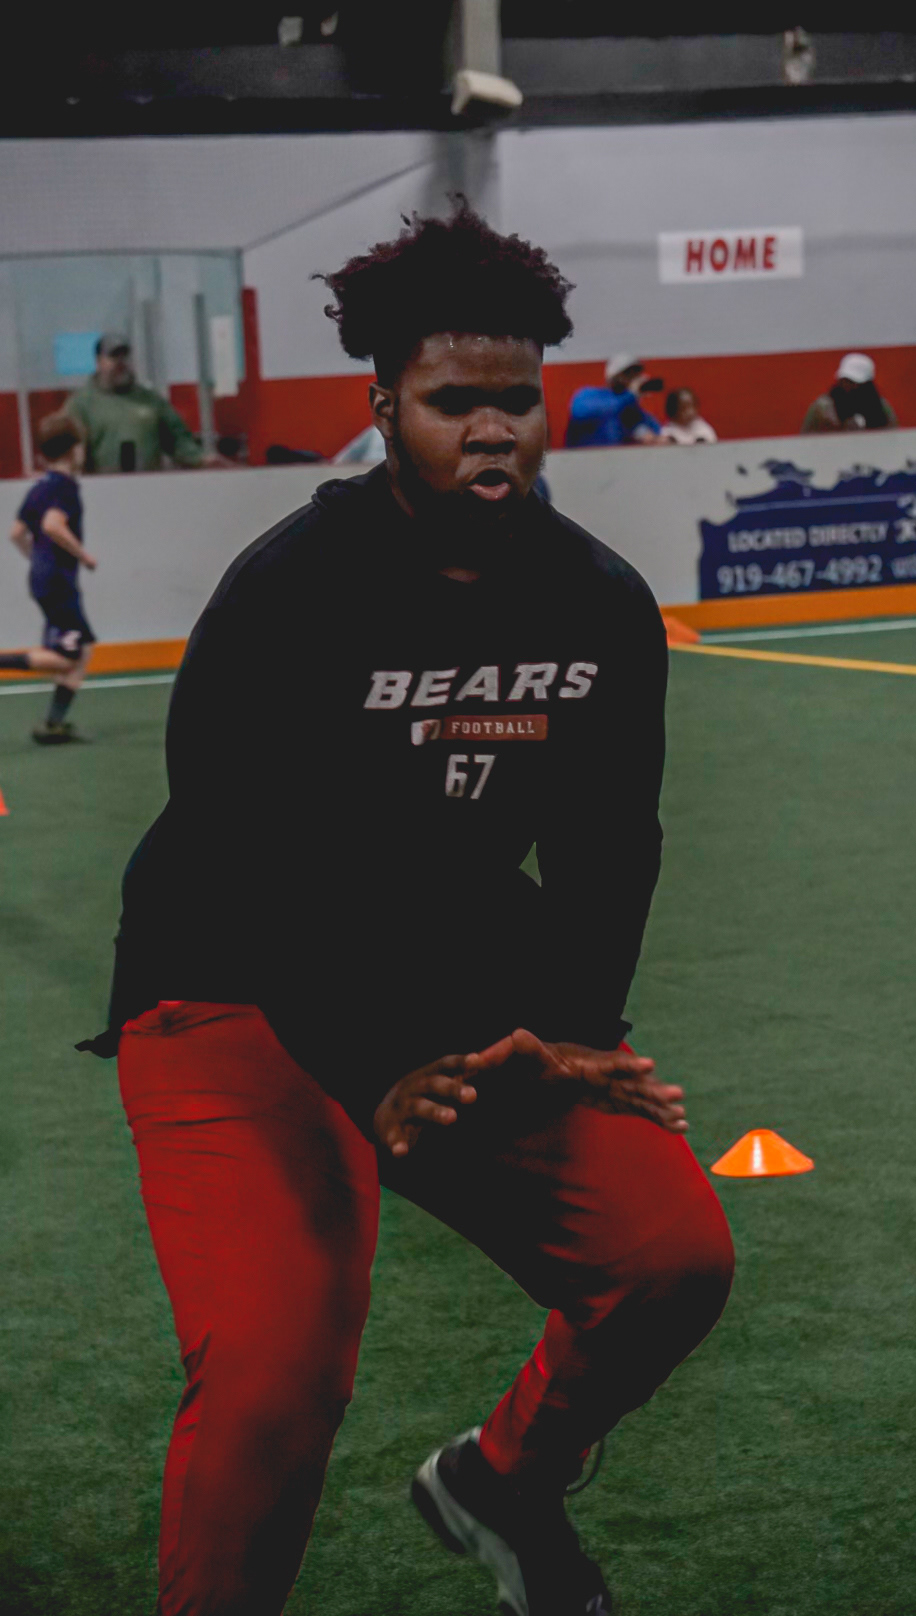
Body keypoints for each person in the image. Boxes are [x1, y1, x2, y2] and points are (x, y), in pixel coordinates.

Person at [77, 203, 734, 1616]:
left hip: (450, 962)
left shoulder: (595, 601)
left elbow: (607, 840)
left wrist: (574, 1030)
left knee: (672, 1258)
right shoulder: (288, 595)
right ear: (383, 409)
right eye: (452, 403)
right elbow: (243, 863)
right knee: (275, 1371)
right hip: (231, 975)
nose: (493, 430)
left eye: (518, 400)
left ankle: (504, 1482)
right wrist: (374, 1064)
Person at [0, 416, 98, 744]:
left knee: (82, 647)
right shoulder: (64, 487)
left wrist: (37, 559)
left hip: (44, 578)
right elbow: (52, 525)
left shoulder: (39, 488)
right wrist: (83, 555)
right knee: (70, 656)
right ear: (73, 450)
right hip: (58, 582)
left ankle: (54, 723)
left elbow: (16, 533)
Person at [65, 334, 212, 472]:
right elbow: (68, 452)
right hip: (101, 486)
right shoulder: (81, 404)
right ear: (98, 362)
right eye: (114, 356)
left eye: (125, 356)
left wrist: (201, 459)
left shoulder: (151, 400)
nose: (121, 362)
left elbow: (179, 440)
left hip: (148, 485)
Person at [564, 353, 665, 447]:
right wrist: (630, 395)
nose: (633, 378)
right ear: (614, 377)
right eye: (628, 374)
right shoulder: (587, 395)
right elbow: (581, 412)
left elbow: (650, 431)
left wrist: (657, 439)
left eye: (636, 374)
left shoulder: (636, 412)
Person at [801, 352, 897, 433]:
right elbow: (806, 438)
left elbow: (893, 437)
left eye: (855, 383)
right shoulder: (822, 408)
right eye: (846, 381)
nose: (849, 386)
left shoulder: (882, 409)